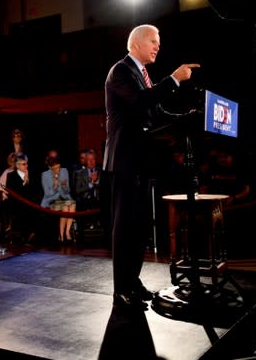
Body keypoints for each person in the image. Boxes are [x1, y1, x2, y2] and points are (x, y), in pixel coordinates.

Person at [103, 23, 200, 310]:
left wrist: (187, 117)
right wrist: (173, 79)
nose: (158, 46)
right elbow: (140, 101)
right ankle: (121, 289)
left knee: (141, 225)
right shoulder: (120, 71)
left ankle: (133, 280)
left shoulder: (143, 75)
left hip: (142, 161)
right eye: (154, 41)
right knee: (125, 227)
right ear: (137, 43)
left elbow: (156, 113)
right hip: (123, 161)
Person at [40, 155, 76, 243]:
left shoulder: (64, 171)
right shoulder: (45, 175)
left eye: (59, 167)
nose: (58, 170)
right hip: (51, 200)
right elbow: (47, 194)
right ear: (50, 167)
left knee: (72, 204)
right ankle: (61, 234)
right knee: (64, 207)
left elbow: (68, 190)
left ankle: (67, 232)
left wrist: (64, 186)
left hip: (64, 197)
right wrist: (55, 187)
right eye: (55, 168)